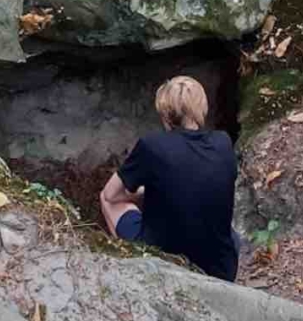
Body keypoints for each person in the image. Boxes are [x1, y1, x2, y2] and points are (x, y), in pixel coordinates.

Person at [99, 75, 239, 282]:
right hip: (221, 267)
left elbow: (111, 194)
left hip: (164, 261)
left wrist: (141, 195)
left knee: (108, 201)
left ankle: (132, 267)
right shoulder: (223, 143)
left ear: (165, 113)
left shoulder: (152, 146)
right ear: (202, 108)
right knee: (221, 225)